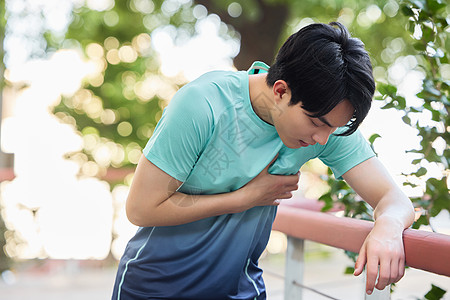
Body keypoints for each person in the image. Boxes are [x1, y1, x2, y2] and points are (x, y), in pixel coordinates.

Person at [111, 22, 415, 299]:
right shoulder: (203, 104)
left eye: (333, 128)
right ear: (281, 90)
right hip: (154, 288)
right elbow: (140, 208)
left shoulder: (326, 126)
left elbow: (394, 199)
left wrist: (387, 228)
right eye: (317, 123)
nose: (323, 139)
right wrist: (243, 198)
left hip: (241, 290)